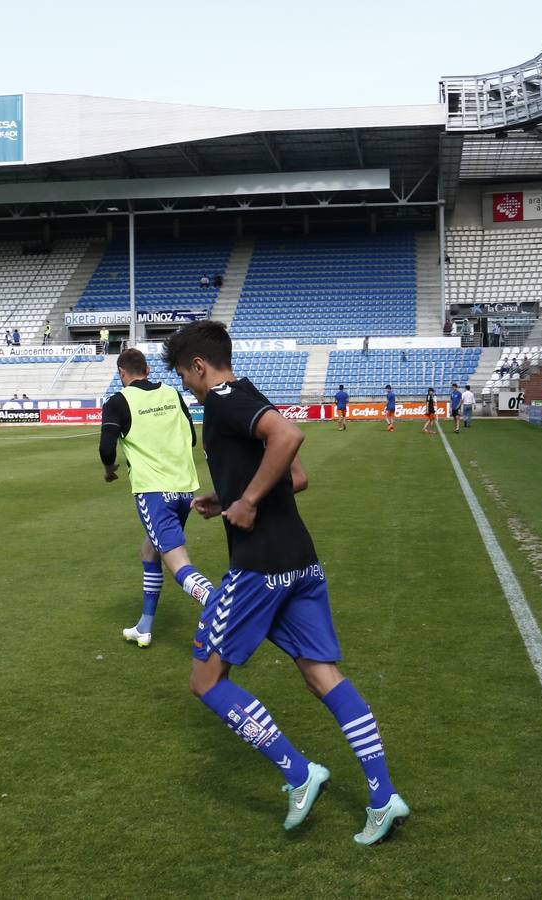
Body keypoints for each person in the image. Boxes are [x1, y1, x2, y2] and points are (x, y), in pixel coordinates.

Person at [162, 319, 409, 844]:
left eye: (185, 376)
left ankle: (300, 773)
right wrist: (229, 498)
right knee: (323, 676)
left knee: (206, 681)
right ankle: (383, 795)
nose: (187, 385)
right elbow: (296, 476)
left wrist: (248, 502)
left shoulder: (224, 399)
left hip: (259, 569)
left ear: (199, 366)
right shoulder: (248, 391)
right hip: (302, 561)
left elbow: (290, 438)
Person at [101, 348, 216, 647]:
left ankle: (220, 605)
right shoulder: (172, 394)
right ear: (148, 370)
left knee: (177, 563)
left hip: (154, 491)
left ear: (121, 374)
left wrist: (108, 469)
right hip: (183, 488)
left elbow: (106, 448)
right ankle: (145, 626)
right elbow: (190, 436)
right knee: (150, 551)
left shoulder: (118, 401)